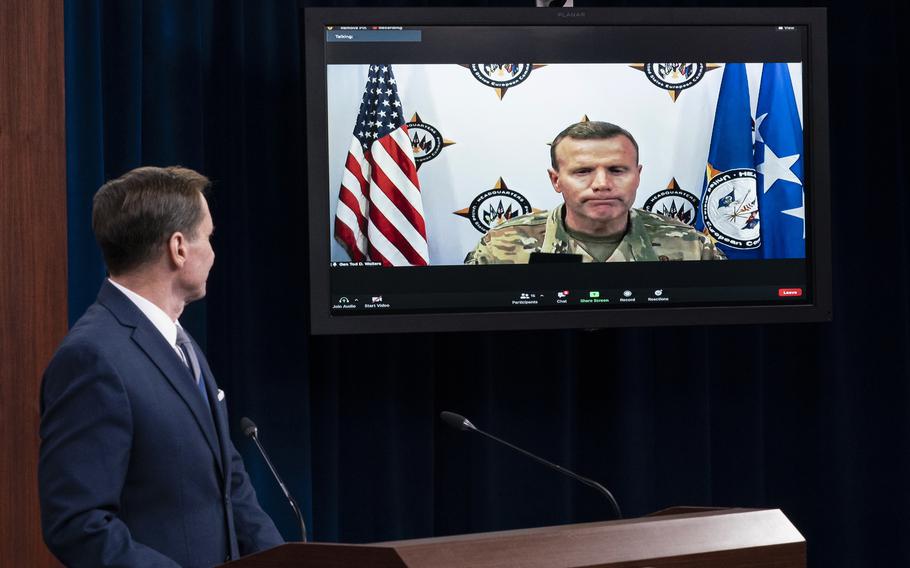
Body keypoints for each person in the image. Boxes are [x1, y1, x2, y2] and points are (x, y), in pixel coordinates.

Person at [39, 167, 284, 567]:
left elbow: (229, 485)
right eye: (208, 237)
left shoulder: (180, 343)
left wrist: (283, 561)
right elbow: (77, 524)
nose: (213, 252)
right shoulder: (92, 358)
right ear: (178, 248)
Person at [464, 121, 725, 263]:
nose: (602, 183)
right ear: (556, 180)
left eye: (617, 170)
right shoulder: (500, 246)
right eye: (583, 171)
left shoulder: (691, 246)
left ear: (637, 176)